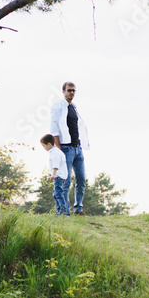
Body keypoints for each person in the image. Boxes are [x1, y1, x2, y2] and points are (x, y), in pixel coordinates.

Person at [50, 81, 89, 215]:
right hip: (66, 149)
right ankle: (63, 210)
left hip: (78, 149)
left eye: (73, 90)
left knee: (81, 179)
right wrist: (59, 149)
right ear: (63, 92)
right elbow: (54, 129)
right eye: (69, 90)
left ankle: (78, 209)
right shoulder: (58, 107)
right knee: (65, 181)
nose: (71, 92)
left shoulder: (74, 107)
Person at [40, 134, 70, 215]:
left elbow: (56, 164)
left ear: (49, 144)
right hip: (61, 175)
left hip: (58, 176)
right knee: (56, 194)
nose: (44, 148)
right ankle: (59, 210)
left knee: (58, 193)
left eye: (44, 146)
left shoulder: (55, 153)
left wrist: (53, 174)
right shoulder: (56, 151)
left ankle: (64, 211)